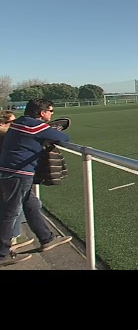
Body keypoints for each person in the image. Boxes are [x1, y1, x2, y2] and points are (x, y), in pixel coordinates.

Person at [0, 99, 73, 267]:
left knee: (32, 204)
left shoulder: (20, 122)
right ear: (42, 113)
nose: (52, 114)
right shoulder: (35, 126)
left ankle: (46, 238)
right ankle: (2, 254)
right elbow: (65, 137)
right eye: (51, 111)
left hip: (10, 171)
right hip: (18, 173)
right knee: (10, 213)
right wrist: (51, 130)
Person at [0, 111, 31, 251]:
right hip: (10, 177)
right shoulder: (5, 137)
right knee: (12, 210)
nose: (15, 126)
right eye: (11, 123)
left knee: (30, 203)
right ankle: (6, 246)